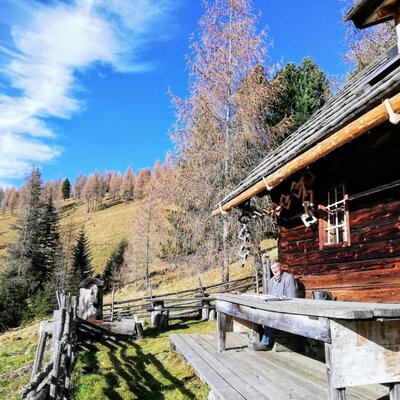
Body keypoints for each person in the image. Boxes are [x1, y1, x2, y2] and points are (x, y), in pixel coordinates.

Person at [253, 260, 298, 351]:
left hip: (286, 310)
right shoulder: (270, 281)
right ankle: (259, 339)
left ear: (281, 267)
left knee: (270, 318)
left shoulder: (288, 278)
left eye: (276, 267)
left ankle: (265, 344)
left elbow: (292, 298)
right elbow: (269, 297)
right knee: (257, 314)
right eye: (272, 268)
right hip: (273, 309)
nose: (274, 270)